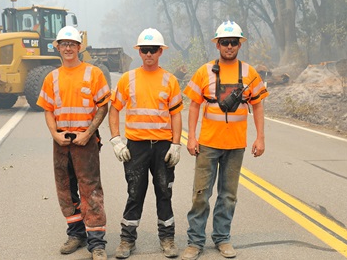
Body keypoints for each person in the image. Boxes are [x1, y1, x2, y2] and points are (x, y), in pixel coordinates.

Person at [181, 21, 269, 260]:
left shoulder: (248, 72)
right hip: (208, 144)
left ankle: (222, 238)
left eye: (233, 42)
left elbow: (258, 106)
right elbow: (194, 106)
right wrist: (191, 138)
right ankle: (195, 241)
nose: (229, 46)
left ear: (239, 44)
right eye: (225, 42)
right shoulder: (205, 71)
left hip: (235, 145)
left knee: (228, 195)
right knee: (200, 193)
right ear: (217, 44)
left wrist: (260, 138)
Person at [109, 28, 184, 259]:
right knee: (135, 193)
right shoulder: (128, 79)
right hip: (137, 147)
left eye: (153, 50)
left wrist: (176, 144)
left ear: (160, 51)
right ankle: (127, 240)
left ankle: (167, 239)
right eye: (144, 50)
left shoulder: (169, 80)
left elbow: (176, 115)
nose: (149, 53)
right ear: (139, 52)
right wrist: (116, 140)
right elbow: (114, 110)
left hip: (162, 146)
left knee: (164, 192)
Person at [36, 25, 110, 260]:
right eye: (64, 44)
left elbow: (103, 106)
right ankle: (76, 233)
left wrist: (88, 133)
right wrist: (54, 134)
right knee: (65, 190)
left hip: (85, 141)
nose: (68, 48)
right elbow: (48, 110)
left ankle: (97, 243)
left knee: (90, 190)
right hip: (61, 142)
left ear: (79, 47)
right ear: (57, 47)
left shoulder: (93, 73)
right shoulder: (52, 77)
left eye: (72, 44)